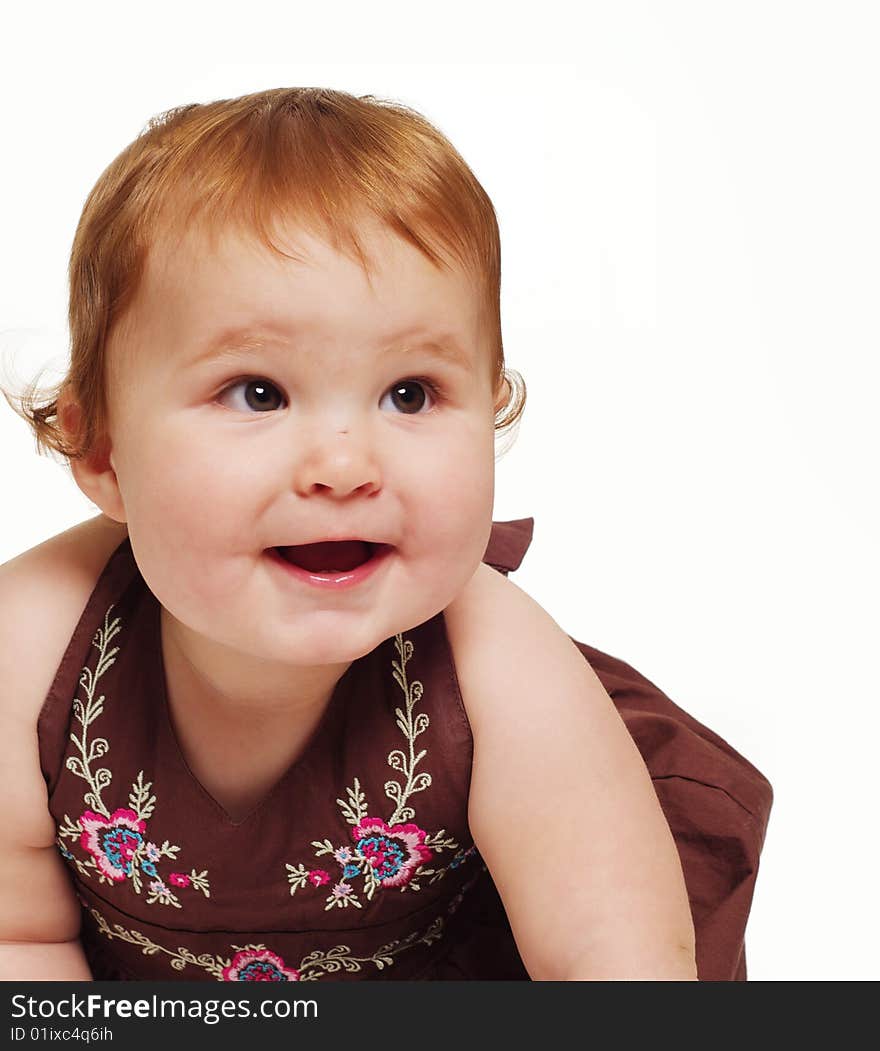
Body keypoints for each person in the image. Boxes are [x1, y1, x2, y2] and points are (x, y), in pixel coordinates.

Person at [0, 87, 769, 982]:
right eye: (257, 391)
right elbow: (20, 943)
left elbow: (617, 970)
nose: (343, 463)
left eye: (410, 393)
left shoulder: (495, 664)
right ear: (101, 450)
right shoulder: (31, 647)